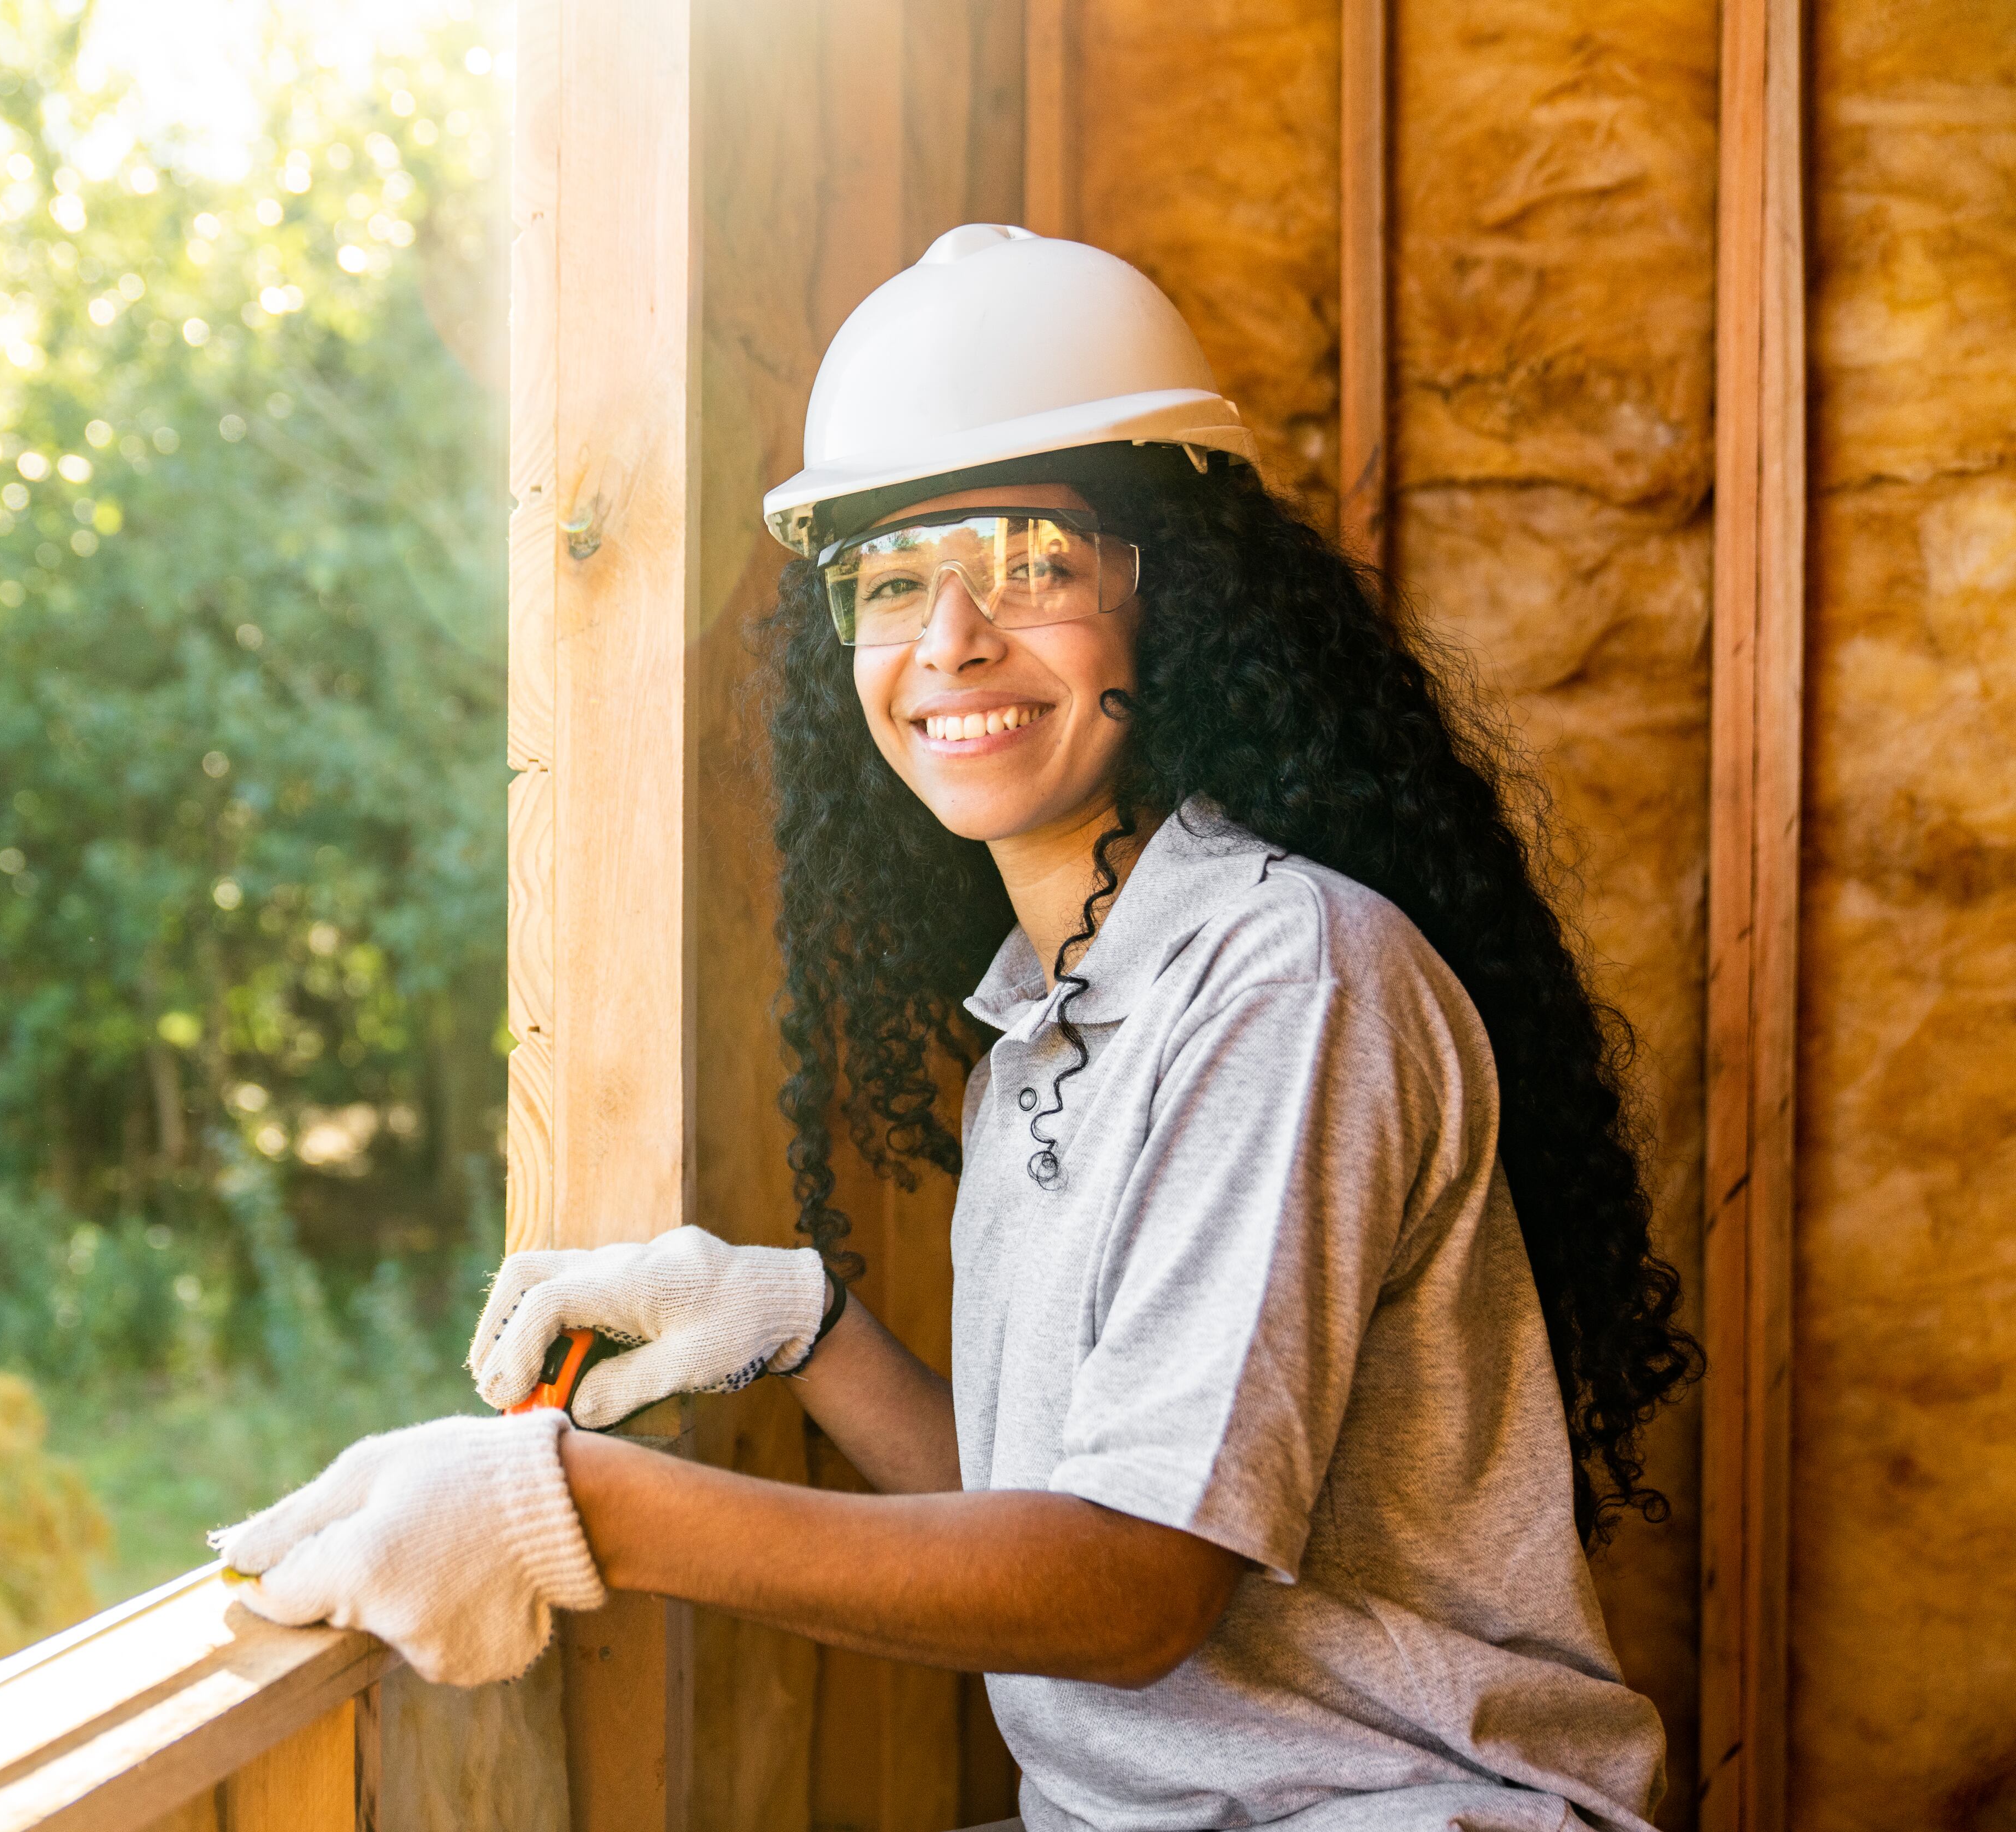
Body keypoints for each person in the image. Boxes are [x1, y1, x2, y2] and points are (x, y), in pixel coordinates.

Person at [214, 226, 1697, 1832]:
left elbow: (1130, 1592)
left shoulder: (1283, 978)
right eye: (894, 580)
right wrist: (805, 1326)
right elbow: (1050, 1524)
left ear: (1171, 595)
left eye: (1032, 561)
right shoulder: (1053, 1017)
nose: (951, 644)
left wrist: (566, 1506)